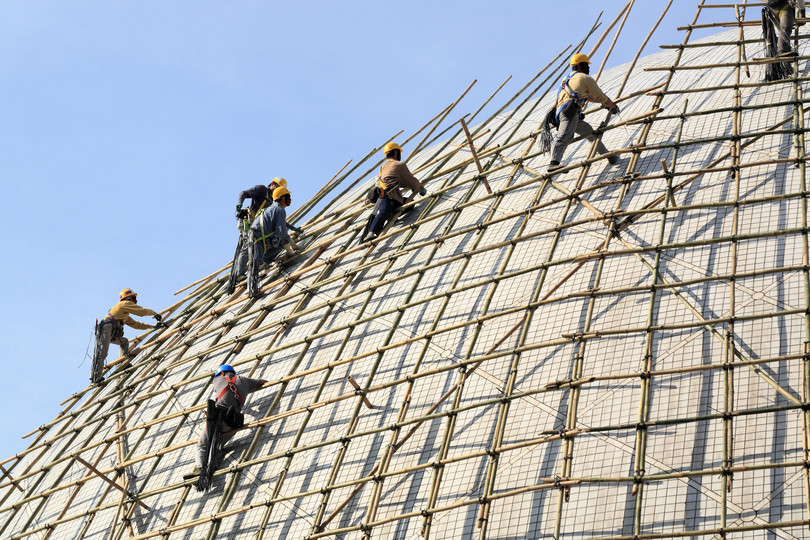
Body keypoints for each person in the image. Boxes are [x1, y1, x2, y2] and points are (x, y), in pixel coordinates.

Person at [184, 364, 267, 481]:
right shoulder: (244, 380)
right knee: (218, 446)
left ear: (222, 373)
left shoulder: (218, 379)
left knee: (202, 445)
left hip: (218, 418)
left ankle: (199, 470)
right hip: (233, 422)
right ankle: (213, 468)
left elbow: (220, 391)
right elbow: (262, 381)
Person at [548, 53, 620, 172]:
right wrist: (612, 106)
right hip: (569, 112)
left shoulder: (567, 79)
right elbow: (600, 96)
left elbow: (585, 97)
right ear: (580, 66)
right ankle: (553, 163)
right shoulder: (585, 78)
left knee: (589, 132)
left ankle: (609, 156)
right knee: (564, 135)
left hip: (564, 111)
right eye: (586, 65)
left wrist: (604, 104)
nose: (588, 68)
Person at [234, 178, 301, 276]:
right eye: (278, 187)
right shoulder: (261, 189)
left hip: (261, 226)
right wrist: (240, 202)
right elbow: (243, 193)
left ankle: (261, 264)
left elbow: (278, 221)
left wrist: (292, 228)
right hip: (251, 222)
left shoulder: (272, 202)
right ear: (273, 184)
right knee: (247, 247)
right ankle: (240, 274)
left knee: (264, 244)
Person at [91, 288, 161, 382]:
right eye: (133, 298)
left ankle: (122, 363)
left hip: (110, 331)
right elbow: (141, 311)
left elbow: (136, 324)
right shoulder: (124, 304)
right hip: (105, 329)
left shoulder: (123, 313)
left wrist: (151, 327)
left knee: (124, 342)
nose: (135, 301)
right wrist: (154, 313)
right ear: (129, 298)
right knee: (102, 352)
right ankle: (96, 377)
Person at [362, 142, 426, 242]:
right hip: (387, 195)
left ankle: (391, 214)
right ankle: (371, 232)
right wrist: (420, 189)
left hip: (386, 195)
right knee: (384, 211)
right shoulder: (399, 164)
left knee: (408, 204)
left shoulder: (383, 166)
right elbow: (410, 179)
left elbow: (395, 180)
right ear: (396, 152)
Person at [251, 185, 296, 266]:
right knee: (258, 268)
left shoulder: (272, 208)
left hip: (257, 235)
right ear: (283, 198)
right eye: (288, 197)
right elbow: (282, 234)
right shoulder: (279, 210)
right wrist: (291, 252)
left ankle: (264, 262)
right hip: (258, 237)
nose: (290, 199)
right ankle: (263, 264)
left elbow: (282, 227)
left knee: (276, 242)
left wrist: (293, 230)